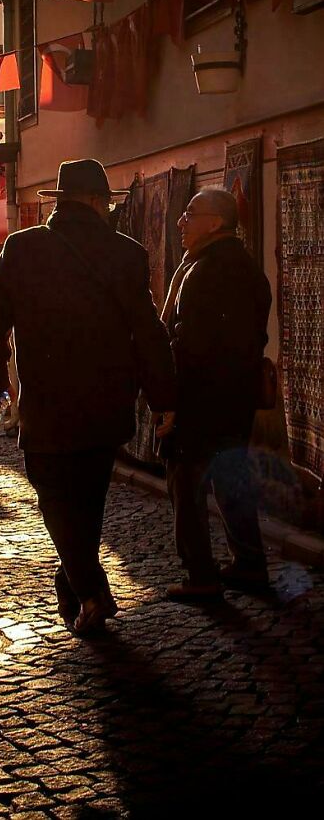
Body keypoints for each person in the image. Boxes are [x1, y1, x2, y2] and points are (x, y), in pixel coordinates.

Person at [0, 159, 176, 637]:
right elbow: (149, 333)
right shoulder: (127, 254)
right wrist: (164, 396)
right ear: (97, 202)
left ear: (62, 200)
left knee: (55, 501)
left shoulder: (21, 249)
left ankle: (88, 589)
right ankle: (83, 588)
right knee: (88, 501)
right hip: (106, 402)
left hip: (46, 402)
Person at [155, 188, 272, 599]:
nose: (180, 222)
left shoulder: (202, 273)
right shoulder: (248, 269)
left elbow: (187, 346)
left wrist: (170, 402)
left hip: (199, 402)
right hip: (235, 401)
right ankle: (249, 565)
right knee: (230, 482)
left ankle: (201, 577)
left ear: (216, 223)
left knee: (186, 488)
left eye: (190, 214)